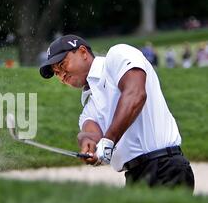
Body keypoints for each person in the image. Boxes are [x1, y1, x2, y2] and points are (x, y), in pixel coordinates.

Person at [39, 34, 194, 191]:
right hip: (135, 177)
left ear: (83, 52)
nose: (61, 74)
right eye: (56, 72)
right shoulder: (89, 105)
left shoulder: (118, 55)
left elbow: (136, 94)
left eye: (63, 64)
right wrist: (89, 145)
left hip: (165, 167)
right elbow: (91, 131)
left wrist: (109, 139)